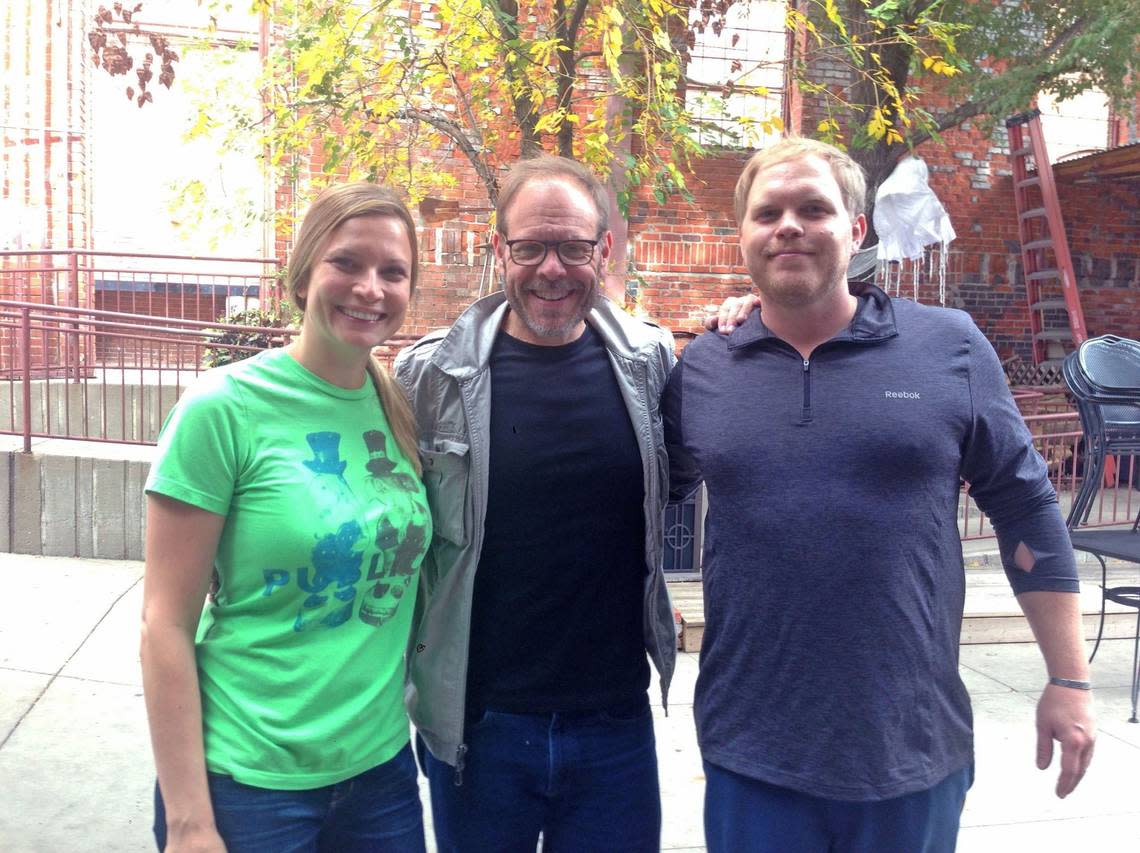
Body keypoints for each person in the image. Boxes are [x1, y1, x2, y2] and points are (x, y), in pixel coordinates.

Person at [664, 137, 1096, 852]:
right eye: (767, 212)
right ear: (741, 235)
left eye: (813, 208)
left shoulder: (948, 346)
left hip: (910, 749)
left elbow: (1026, 509)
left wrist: (1070, 680)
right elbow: (646, 495)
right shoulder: (706, 365)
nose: (789, 226)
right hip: (751, 750)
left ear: (856, 229)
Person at [393, 154, 676, 853]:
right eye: (530, 247)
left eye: (574, 247)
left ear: (603, 250)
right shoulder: (429, 378)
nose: (552, 268)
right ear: (501, 250)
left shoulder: (652, 364)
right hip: (482, 727)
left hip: (615, 725)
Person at [141, 183, 431, 852]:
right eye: (347, 263)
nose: (370, 287)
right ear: (302, 275)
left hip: (381, 774)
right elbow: (164, 623)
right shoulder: (223, 408)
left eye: (394, 271)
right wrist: (190, 821)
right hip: (247, 782)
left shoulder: (400, 407)